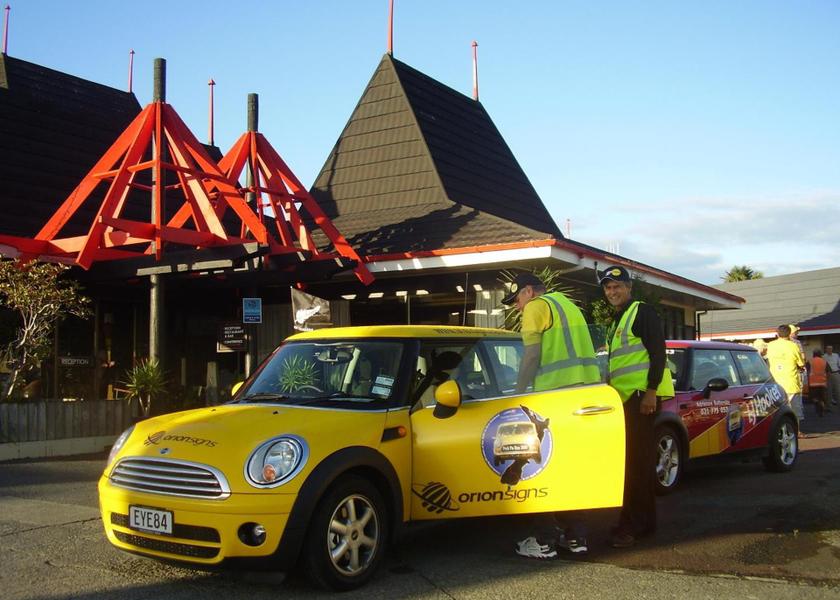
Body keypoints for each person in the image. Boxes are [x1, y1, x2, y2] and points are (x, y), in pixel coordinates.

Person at [502, 272, 600, 559]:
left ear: (528, 291)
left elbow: (531, 356)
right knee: (571, 469)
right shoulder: (569, 306)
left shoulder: (536, 307)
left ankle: (543, 540)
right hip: (582, 397)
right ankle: (576, 537)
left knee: (542, 469)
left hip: (553, 398)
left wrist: (518, 394)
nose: (517, 308)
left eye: (516, 299)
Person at [599, 265, 674, 549]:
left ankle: (632, 525)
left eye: (617, 286)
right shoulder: (617, 319)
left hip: (642, 397)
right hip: (627, 399)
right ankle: (642, 523)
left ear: (629, 287)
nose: (612, 292)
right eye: (608, 288)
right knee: (634, 463)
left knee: (637, 465)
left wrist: (651, 392)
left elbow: (658, 352)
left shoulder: (641, 312)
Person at [766, 325, 806, 424]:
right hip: (791, 383)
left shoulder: (770, 345)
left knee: (778, 411)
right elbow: (801, 363)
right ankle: (797, 431)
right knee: (794, 410)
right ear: (789, 334)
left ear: (777, 334)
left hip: (775, 385)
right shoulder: (793, 345)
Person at [807, 349, 828, 417]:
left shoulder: (810, 361)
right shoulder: (824, 361)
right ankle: (821, 407)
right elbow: (829, 372)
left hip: (813, 384)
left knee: (814, 397)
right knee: (822, 397)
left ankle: (818, 405)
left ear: (814, 354)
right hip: (823, 383)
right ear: (820, 354)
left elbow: (805, 371)